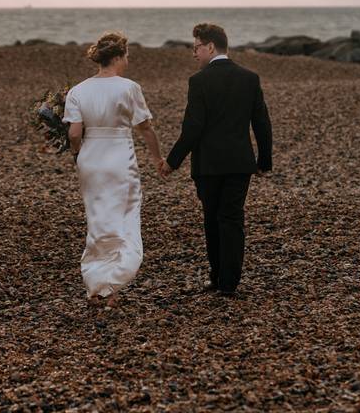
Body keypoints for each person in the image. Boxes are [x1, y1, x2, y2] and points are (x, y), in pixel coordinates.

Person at [161, 22, 273, 296]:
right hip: (238, 164)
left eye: (196, 47)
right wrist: (263, 161)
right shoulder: (250, 78)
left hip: (208, 166)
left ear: (211, 46)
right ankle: (229, 283)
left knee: (212, 219)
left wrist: (172, 161)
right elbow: (262, 123)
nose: (193, 53)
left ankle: (217, 276)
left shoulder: (199, 82)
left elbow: (193, 128)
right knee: (232, 219)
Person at [64, 31, 164, 308]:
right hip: (119, 156)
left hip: (91, 158)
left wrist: (78, 155)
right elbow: (145, 128)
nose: (128, 60)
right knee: (124, 216)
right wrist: (157, 158)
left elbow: (74, 133)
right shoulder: (129, 87)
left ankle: (97, 285)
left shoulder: (78, 90)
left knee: (98, 218)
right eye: (127, 55)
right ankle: (111, 284)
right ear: (118, 57)